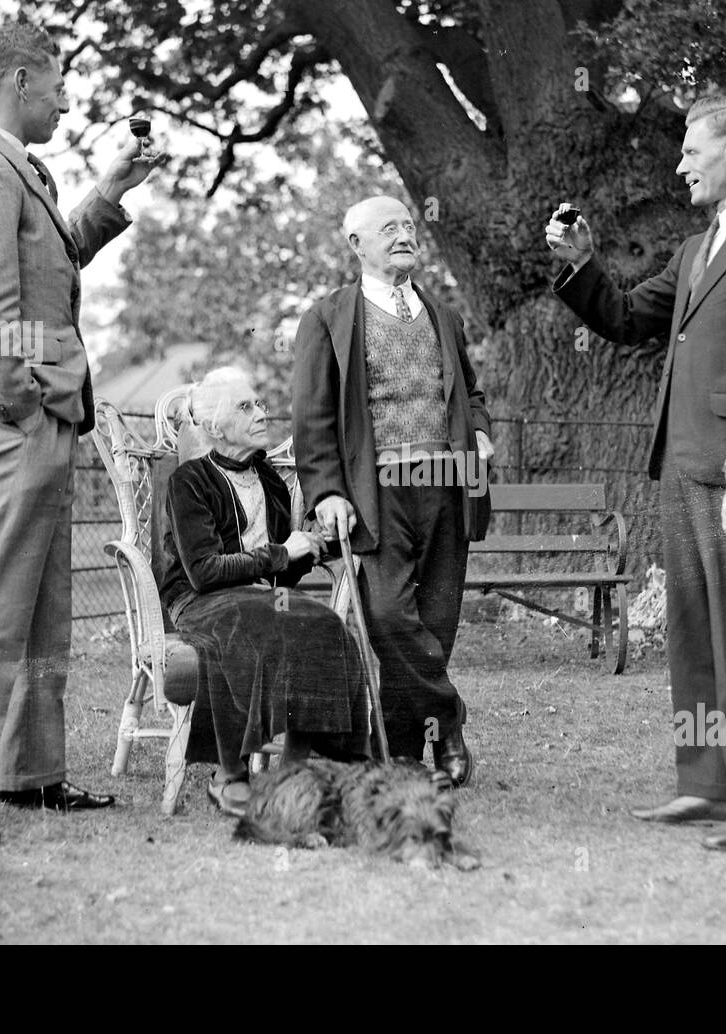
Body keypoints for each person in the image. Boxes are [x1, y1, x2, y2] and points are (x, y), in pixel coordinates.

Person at [0, 23, 164, 842]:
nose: (64, 100)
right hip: (13, 422)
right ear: (17, 80)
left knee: (38, 609)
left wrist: (108, 191)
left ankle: (25, 775)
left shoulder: (20, 171)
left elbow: (55, 264)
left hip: (39, 418)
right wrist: (24, 405)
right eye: (55, 87)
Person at [547, 91, 726, 849]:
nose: (680, 166)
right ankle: (704, 787)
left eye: (690, 152)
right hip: (680, 468)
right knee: (693, 638)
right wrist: (581, 267)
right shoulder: (697, 249)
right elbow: (628, 317)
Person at [292, 195, 493, 786]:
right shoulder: (327, 318)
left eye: (408, 225)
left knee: (436, 619)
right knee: (388, 615)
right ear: (356, 245)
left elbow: (472, 394)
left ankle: (408, 754)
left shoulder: (443, 315)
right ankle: (450, 721)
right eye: (389, 228)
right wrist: (327, 492)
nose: (405, 234)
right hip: (374, 492)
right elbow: (312, 419)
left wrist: (479, 432)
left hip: (448, 485)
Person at [159, 368, 372, 817]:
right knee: (247, 625)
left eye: (258, 403)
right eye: (246, 407)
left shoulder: (271, 481)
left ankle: (299, 769)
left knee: (324, 623)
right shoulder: (189, 482)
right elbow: (203, 572)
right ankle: (229, 775)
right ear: (216, 427)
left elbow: (281, 578)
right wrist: (281, 552)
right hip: (201, 601)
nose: (262, 413)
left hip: (258, 598)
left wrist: (314, 546)